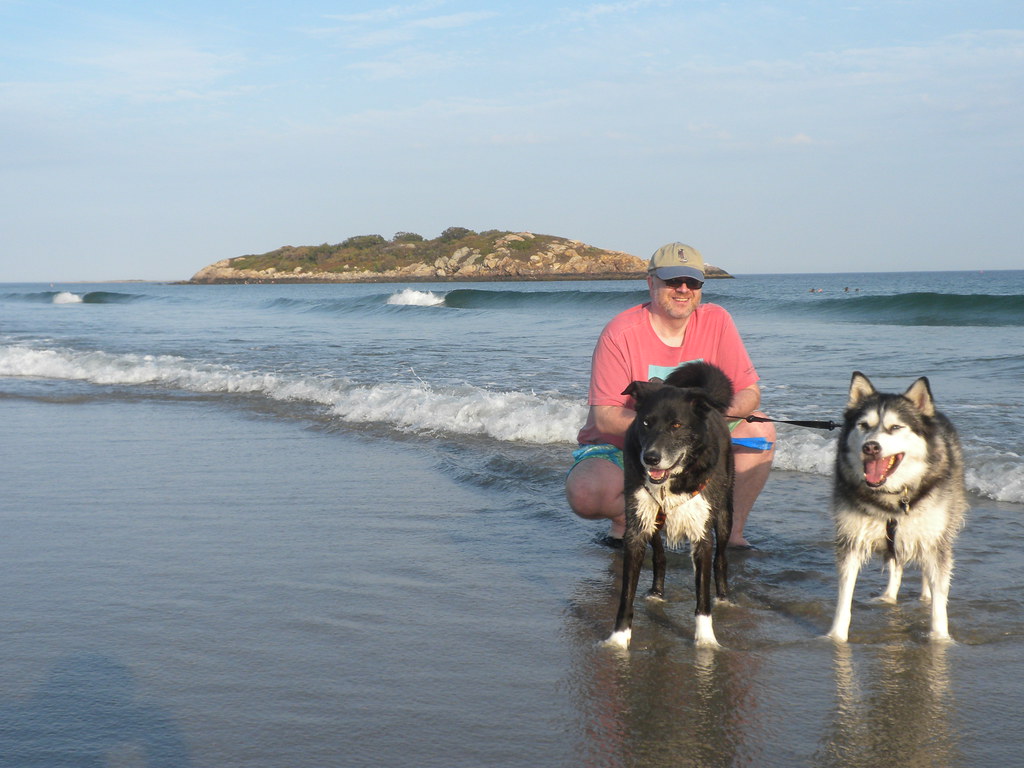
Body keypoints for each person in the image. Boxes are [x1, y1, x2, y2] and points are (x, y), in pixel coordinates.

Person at [565, 242, 776, 549]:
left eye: (692, 282)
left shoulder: (717, 321)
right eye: (672, 281)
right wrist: (668, 436)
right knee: (585, 493)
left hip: (695, 436)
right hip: (627, 445)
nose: (683, 289)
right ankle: (630, 520)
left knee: (762, 430)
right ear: (651, 282)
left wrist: (703, 428)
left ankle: (730, 533)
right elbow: (606, 417)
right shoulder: (620, 332)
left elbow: (750, 393)